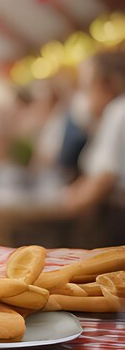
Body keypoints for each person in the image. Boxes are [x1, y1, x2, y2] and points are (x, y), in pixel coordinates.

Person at [64, 49, 125, 245]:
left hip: (116, 222)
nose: (84, 93)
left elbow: (103, 178)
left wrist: (62, 203)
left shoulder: (118, 110)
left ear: (107, 83)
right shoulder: (112, 113)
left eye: (87, 85)